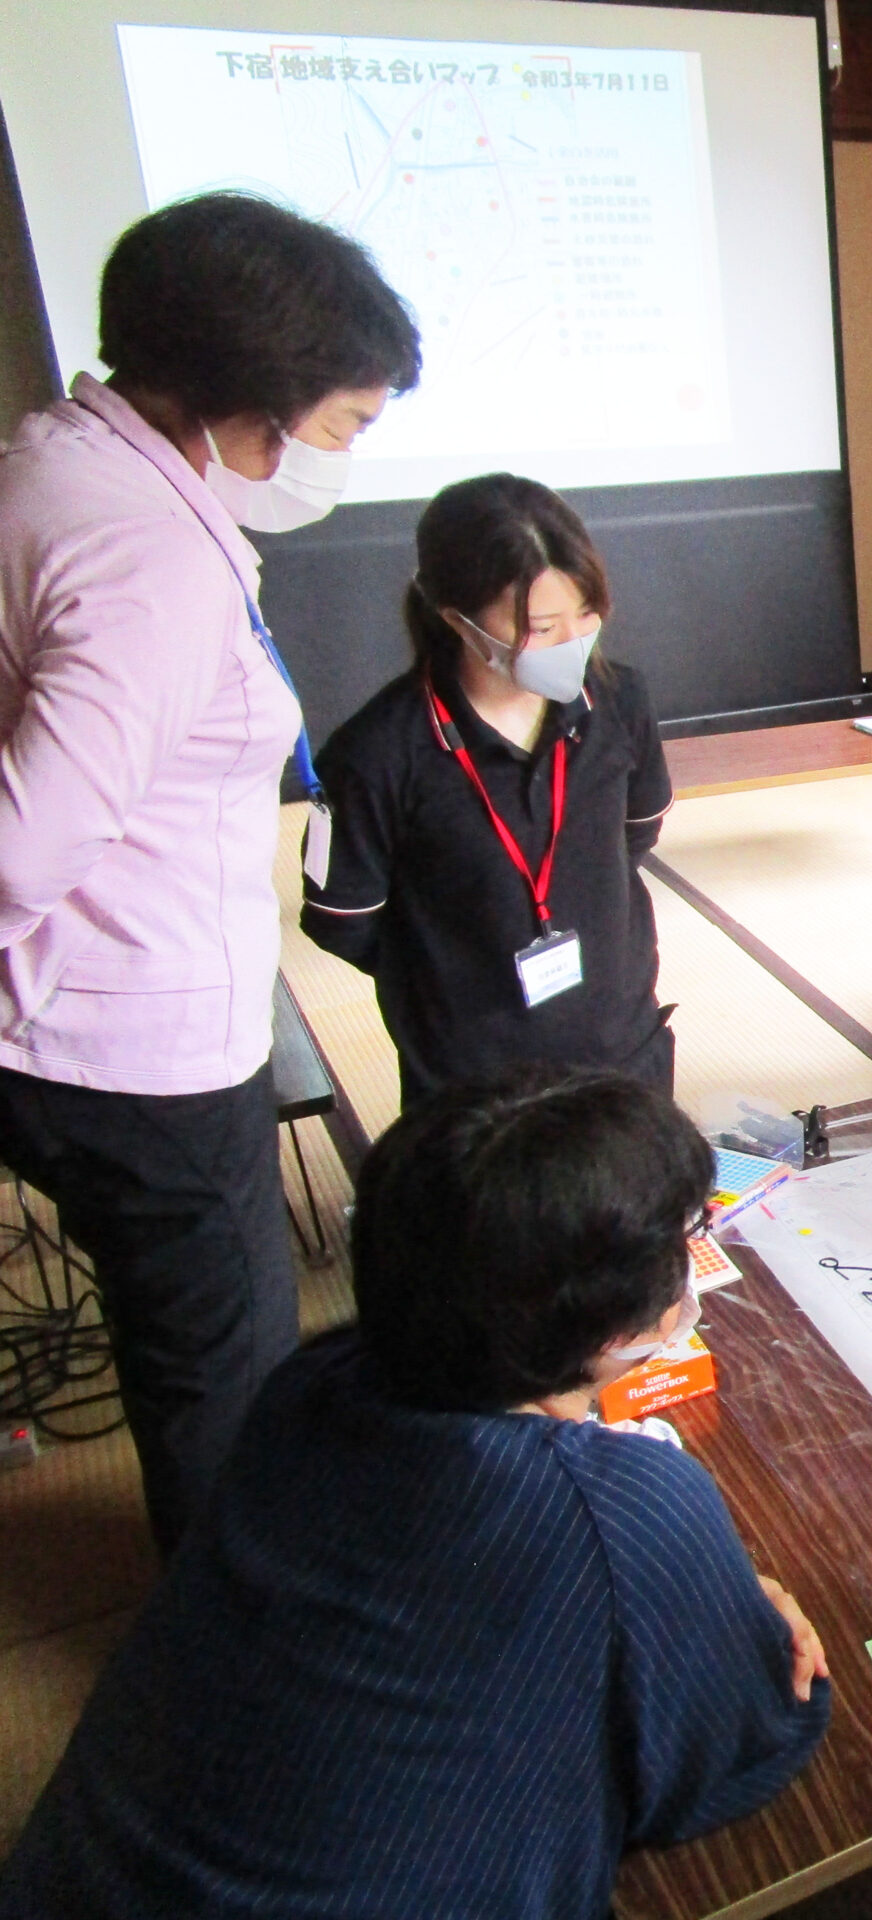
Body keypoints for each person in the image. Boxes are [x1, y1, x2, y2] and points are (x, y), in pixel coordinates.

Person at [0, 1065, 833, 1918]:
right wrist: (724, 1611)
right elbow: (731, 1755)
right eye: (681, 1244)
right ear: (616, 1323)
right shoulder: (625, 1505)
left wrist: (684, 1601)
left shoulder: (313, 1379)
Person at [0, 192, 418, 1553]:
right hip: (136, 1051)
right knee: (222, 1381)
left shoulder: (58, 464)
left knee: (188, 1349)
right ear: (262, 401)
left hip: (84, 1024)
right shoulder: (143, 558)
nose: (345, 455)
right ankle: (238, 1656)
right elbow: (26, 842)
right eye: (348, 424)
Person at [301, 474, 674, 1106]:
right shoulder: (373, 752)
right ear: (458, 619)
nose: (575, 641)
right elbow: (343, 919)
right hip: (472, 1081)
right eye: (544, 626)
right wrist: (449, 973)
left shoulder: (618, 698)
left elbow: (638, 831)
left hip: (622, 1044)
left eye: (587, 614)